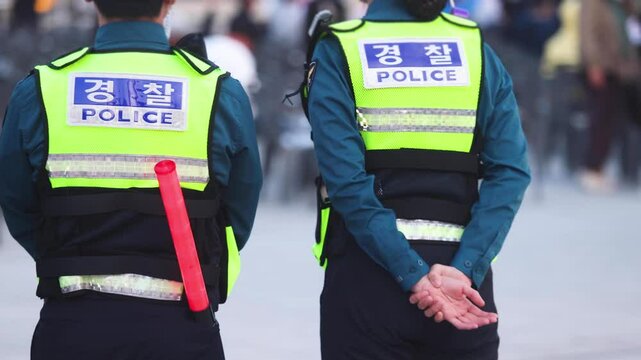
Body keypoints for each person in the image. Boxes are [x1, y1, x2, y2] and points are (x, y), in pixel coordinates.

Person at [0, 0, 262, 359]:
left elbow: (16, 203)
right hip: (181, 323)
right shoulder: (217, 90)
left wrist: (68, 256)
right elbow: (238, 214)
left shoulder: (43, 87)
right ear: (169, 2)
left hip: (71, 324)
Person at [302, 0, 531, 358]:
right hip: (463, 286)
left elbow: (347, 182)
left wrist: (412, 274)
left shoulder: (339, 50)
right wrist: (465, 267)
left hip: (366, 276)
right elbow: (512, 172)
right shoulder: (475, 49)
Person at [580, 0, 641, 191]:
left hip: (625, 68)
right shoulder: (594, 3)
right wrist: (594, 64)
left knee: (622, 118)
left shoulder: (622, 5)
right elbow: (588, 34)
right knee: (602, 118)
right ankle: (593, 169)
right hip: (604, 66)